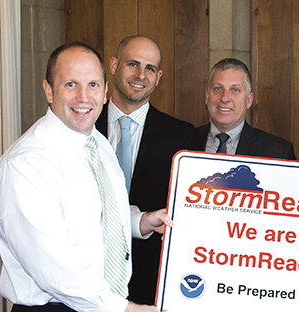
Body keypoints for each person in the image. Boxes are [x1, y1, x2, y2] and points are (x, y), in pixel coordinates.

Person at [0, 42, 171, 312]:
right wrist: (124, 308)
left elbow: (97, 214)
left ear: (104, 92)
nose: (83, 97)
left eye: (92, 85)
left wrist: (141, 221)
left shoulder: (97, 142)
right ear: (48, 91)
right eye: (70, 84)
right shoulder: (26, 164)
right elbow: (52, 265)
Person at [95, 35, 197, 304]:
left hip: (151, 283)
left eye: (150, 68)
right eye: (133, 64)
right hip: (87, 274)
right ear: (114, 65)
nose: (141, 75)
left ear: (159, 76)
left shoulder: (181, 136)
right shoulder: (84, 124)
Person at [195, 58, 296, 160]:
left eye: (235, 90)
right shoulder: (184, 142)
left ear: (248, 100)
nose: (225, 98)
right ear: (207, 97)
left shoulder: (278, 152)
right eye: (218, 88)